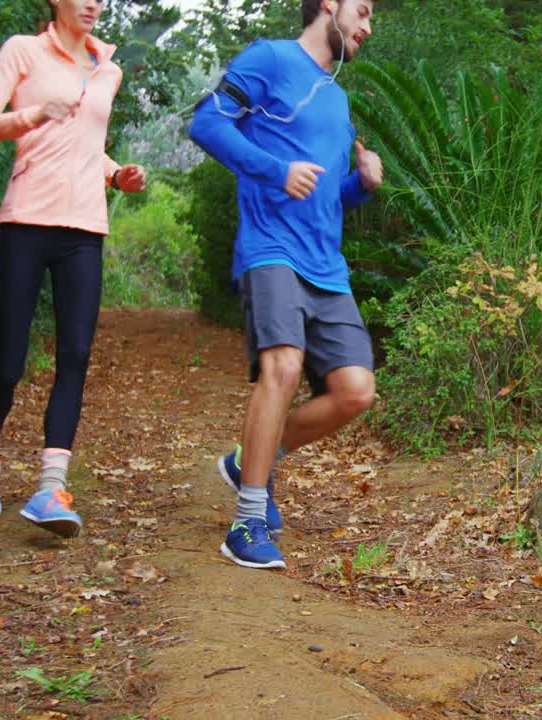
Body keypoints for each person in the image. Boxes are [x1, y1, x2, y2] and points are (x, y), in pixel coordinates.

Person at [189, 0, 383, 569]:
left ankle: (253, 456)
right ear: (328, 5)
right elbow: (205, 121)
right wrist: (276, 170)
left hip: (326, 263)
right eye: (363, 12)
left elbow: (327, 193)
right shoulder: (269, 59)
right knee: (284, 366)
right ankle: (247, 522)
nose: (367, 28)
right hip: (270, 248)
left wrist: (363, 184)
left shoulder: (338, 98)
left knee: (355, 391)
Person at [0, 0, 146, 537]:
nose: (94, 3)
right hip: (25, 222)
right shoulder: (23, 52)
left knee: (75, 355)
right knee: (11, 363)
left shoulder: (107, 70)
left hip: (85, 230)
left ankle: (50, 487)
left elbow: (88, 145)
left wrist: (116, 175)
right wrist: (32, 115)